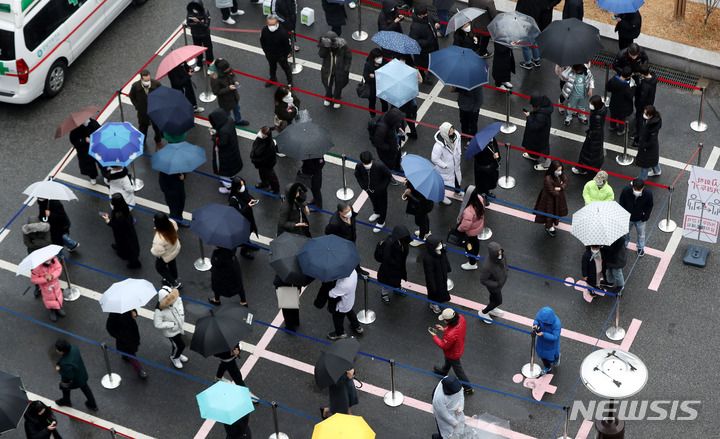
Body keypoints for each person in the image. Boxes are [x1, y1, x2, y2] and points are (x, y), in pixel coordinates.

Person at [431, 309, 473, 394]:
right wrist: (444, 329)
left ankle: (467, 387)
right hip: (458, 347)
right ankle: (444, 371)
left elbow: (444, 346)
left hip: (453, 353)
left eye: (445, 320)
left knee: (458, 371)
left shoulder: (450, 335)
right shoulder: (461, 318)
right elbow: (453, 329)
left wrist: (435, 336)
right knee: (448, 359)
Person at [54, 339, 98, 411]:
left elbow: (68, 376)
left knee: (64, 386)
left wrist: (59, 370)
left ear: (61, 351)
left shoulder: (65, 363)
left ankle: (66, 400)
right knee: (85, 388)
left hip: (76, 379)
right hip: (82, 373)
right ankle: (92, 404)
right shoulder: (74, 347)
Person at [354, 151, 392, 233]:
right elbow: (357, 175)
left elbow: (388, 176)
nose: (367, 165)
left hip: (381, 191)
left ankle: (381, 222)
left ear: (371, 160)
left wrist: (382, 188)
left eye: (368, 163)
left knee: (383, 205)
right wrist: (363, 186)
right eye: (365, 163)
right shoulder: (359, 166)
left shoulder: (380, 166)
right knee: (374, 202)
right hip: (369, 190)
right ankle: (377, 213)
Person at [209, 108, 244, 194]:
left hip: (225, 155)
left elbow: (221, 142)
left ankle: (229, 188)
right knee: (230, 170)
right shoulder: (229, 120)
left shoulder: (223, 131)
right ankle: (231, 178)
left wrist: (213, 136)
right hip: (232, 150)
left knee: (223, 172)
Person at [101, 193, 141, 269]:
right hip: (126, 233)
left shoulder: (120, 216)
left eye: (112, 200)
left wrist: (108, 221)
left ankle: (134, 263)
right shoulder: (124, 209)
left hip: (124, 235)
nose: (110, 201)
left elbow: (117, 226)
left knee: (128, 248)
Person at [106, 309, 148, 379]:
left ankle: (124, 356)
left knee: (129, 349)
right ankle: (139, 369)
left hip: (132, 333)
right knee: (131, 353)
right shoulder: (114, 314)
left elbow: (134, 312)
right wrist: (119, 336)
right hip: (124, 337)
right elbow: (109, 328)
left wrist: (135, 313)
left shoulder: (127, 307)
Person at [153, 286, 187, 369]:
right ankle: (175, 357)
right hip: (171, 332)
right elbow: (157, 324)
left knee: (177, 345)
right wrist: (173, 325)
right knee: (180, 345)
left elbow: (179, 301)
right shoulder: (159, 310)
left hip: (179, 327)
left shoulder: (174, 300)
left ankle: (177, 354)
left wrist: (181, 315)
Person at [128, 69, 163, 150]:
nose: (147, 81)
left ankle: (158, 141)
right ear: (141, 79)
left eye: (148, 79)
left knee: (157, 128)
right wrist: (137, 106)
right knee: (143, 127)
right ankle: (142, 142)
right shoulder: (135, 86)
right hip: (143, 111)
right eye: (145, 80)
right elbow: (132, 96)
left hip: (155, 110)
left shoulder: (157, 84)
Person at [572, 95, 607, 175]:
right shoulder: (601, 110)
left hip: (593, 138)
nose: (590, 105)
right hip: (598, 137)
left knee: (587, 153)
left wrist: (589, 135)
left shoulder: (597, 116)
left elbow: (596, 130)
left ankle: (582, 169)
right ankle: (595, 167)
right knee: (597, 153)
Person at [210, 59, 249, 127]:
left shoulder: (227, 69)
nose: (229, 70)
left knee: (237, 109)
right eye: (227, 70)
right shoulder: (215, 78)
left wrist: (235, 81)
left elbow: (233, 75)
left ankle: (238, 121)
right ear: (220, 70)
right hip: (225, 101)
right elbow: (216, 92)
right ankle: (227, 124)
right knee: (227, 114)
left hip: (234, 97)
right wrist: (228, 88)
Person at [533, 161, 569, 236]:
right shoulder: (548, 179)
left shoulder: (559, 174)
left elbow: (565, 181)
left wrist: (559, 188)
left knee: (556, 209)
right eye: (558, 170)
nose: (560, 172)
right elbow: (552, 191)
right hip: (549, 199)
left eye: (561, 170)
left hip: (557, 196)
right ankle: (549, 227)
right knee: (549, 212)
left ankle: (555, 219)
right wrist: (561, 187)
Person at [377, 225, 411, 303]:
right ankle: (384, 293)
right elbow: (387, 258)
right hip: (389, 267)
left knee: (397, 279)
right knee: (386, 281)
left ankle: (397, 288)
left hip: (398, 266)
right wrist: (396, 263)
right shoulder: (389, 244)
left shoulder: (402, 241)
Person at [619, 178, 653, 256]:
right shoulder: (626, 190)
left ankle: (640, 247)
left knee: (641, 235)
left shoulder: (648, 194)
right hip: (627, 218)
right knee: (625, 233)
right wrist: (623, 214)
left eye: (639, 189)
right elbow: (622, 202)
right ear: (632, 186)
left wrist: (645, 217)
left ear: (643, 188)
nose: (636, 191)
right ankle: (624, 244)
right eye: (635, 189)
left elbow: (649, 206)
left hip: (640, 219)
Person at [318, 31, 352, 108]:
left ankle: (337, 98)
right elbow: (321, 54)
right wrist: (325, 47)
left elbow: (348, 57)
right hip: (328, 69)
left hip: (340, 70)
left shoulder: (343, 46)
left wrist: (345, 68)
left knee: (339, 85)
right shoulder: (326, 47)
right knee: (327, 84)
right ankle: (328, 97)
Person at [431, 122, 462, 205]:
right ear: (445, 133)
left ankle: (457, 192)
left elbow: (458, 147)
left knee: (457, 180)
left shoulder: (457, 136)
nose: (453, 132)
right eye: (450, 132)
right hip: (445, 170)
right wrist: (445, 165)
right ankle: (442, 197)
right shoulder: (438, 146)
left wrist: (459, 154)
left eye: (453, 130)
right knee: (443, 184)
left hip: (455, 166)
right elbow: (434, 158)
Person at [229, 176, 259, 260]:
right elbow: (236, 214)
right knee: (243, 237)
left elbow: (247, 196)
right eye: (241, 186)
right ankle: (244, 250)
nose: (243, 187)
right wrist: (248, 206)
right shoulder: (233, 200)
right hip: (241, 224)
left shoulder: (243, 191)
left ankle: (248, 245)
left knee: (248, 233)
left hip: (248, 219)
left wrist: (251, 199)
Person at [521, 94, 554, 171]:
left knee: (543, 149)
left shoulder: (540, 115)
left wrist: (529, 117)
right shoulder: (545, 108)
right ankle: (534, 156)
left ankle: (547, 165)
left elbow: (534, 126)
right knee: (539, 147)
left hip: (539, 135)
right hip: (542, 134)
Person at [327, 272, 363, 339]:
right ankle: (357, 326)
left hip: (341, 305)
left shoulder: (343, 285)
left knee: (337, 318)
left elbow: (332, 294)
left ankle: (340, 333)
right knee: (350, 312)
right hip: (350, 300)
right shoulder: (353, 272)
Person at [150, 212, 182, 289]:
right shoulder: (172, 223)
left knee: (159, 267)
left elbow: (158, 252)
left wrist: (152, 250)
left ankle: (173, 283)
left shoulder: (159, 238)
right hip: (174, 249)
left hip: (166, 255)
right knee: (172, 263)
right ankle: (174, 276)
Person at [22, 217, 51, 298]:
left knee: (48, 267)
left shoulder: (45, 229)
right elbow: (27, 242)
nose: (34, 230)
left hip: (43, 252)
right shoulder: (26, 231)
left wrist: (34, 242)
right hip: (33, 253)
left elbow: (48, 242)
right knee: (34, 270)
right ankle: (38, 286)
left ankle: (49, 281)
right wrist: (39, 243)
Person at [478, 242, 507, 322]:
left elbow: (504, 263)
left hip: (499, 283)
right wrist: (496, 284)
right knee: (498, 301)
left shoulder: (500, 256)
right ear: (494, 254)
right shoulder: (487, 266)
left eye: (501, 251)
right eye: (499, 252)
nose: (501, 253)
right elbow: (483, 280)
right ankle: (483, 312)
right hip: (494, 287)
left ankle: (492, 308)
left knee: (493, 298)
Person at [409, 6, 439, 84]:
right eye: (424, 15)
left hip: (433, 45)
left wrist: (436, 22)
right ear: (419, 15)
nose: (427, 15)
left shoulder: (427, 15)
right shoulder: (415, 27)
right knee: (421, 65)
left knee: (432, 60)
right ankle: (424, 78)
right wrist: (426, 42)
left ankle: (431, 70)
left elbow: (434, 18)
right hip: (423, 51)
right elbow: (413, 40)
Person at [371, 107, 407, 172]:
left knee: (397, 158)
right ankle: (392, 172)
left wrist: (398, 127)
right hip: (387, 153)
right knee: (390, 165)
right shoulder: (381, 129)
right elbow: (378, 143)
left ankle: (397, 168)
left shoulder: (389, 118)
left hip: (394, 145)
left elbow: (395, 122)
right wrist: (391, 147)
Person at [260, 15, 293, 87]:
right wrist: (266, 52)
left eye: (273, 24)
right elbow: (262, 41)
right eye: (270, 24)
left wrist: (284, 55)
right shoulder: (265, 30)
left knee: (286, 68)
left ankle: (290, 82)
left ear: (277, 22)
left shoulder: (283, 33)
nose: (271, 26)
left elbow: (288, 45)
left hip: (281, 55)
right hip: (270, 54)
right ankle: (273, 78)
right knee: (272, 66)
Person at [69, 117, 103, 184]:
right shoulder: (75, 130)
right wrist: (84, 140)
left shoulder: (93, 123)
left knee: (102, 163)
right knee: (89, 166)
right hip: (84, 151)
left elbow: (100, 132)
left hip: (96, 148)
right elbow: (74, 141)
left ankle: (105, 175)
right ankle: (93, 177)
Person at [31, 257, 65, 322]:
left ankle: (58, 308)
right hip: (46, 289)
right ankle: (52, 310)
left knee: (57, 296)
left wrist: (52, 276)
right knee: (49, 299)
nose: (49, 262)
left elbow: (59, 268)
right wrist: (45, 279)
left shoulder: (54, 260)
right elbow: (34, 279)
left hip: (55, 285)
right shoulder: (37, 268)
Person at [457, 188, 485, 270]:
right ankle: (476, 255)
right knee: (475, 241)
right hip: (477, 228)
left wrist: (459, 229)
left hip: (469, 231)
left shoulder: (468, 211)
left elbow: (465, 226)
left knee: (468, 245)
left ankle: (472, 263)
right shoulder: (480, 199)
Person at [423, 236, 451, 313]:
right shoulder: (428, 258)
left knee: (442, 288)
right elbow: (429, 274)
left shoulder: (441, 251)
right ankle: (433, 304)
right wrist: (432, 286)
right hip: (435, 279)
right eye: (438, 245)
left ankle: (440, 299)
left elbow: (445, 260)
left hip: (442, 275)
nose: (440, 245)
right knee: (434, 292)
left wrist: (448, 268)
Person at [250, 126, 280, 194]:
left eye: (262, 133)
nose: (259, 133)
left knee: (271, 176)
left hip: (267, 164)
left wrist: (256, 160)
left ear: (266, 136)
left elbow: (266, 158)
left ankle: (275, 188)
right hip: (260, 163)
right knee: (262, 173)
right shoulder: (260, 139)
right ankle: (264, 182)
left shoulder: (269, 146)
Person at [606, 66, 635, 136]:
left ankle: (612, 126)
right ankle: (621, 130)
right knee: (622, 119)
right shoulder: (626, 87)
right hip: (623, 107)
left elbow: (608, 87)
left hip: (614, 103)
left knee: (613, 115)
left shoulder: (614, 79)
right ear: (628, 77)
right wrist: (633, 87)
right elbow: (630, 96)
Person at [403, 180, 433, 246]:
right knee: (425, 218)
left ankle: (421, 239)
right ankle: (426, 233)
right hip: (426, 207)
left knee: (421, 222)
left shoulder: (424, 188)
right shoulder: (426, 182)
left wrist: (409, 194)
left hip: (422, 208)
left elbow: (419, 202)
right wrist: (408, 183)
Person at [532, 307, 561, 375]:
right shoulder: (543, 318)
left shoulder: (557, 324)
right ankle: (547, 367)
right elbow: (537, 320)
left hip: (551, 346)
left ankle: (557, 358)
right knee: (543, 357)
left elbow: (555, 337)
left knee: (552, 358)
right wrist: (535, 324)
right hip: (541, 342)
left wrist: (543, 334)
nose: (543, 323)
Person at [636, 105, 662, 180]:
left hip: (648, 148)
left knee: (645, 165)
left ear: (650, 115)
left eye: (646, 114)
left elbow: (651, 141)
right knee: (653, 160)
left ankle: (640, 180)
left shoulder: (652, 127)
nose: (644, 115)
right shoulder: (654, 122)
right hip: (651, 148)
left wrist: (643, 145)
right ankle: (657, 170)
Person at [187, 0, 214, 70]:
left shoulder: (205, 12)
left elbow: (206, 25)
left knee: (208, 51)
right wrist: (200, 22)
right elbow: (189, 23)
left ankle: (210, 66)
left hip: (205, 35)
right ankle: (199, 64)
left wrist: (197, 22)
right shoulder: (190, 12)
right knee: (197, 50)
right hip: (195, 35)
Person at [514, 0, 542, 69]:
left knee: (525, 44)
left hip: (524, 22)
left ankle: (528, 63)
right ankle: (536, 60)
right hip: (534, 21)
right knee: (534, 42)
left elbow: (518, 10)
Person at [633, 63, 657, 138]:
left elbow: (642, 99)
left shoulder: (645, 85)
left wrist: (638, 107)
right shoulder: (654, 77)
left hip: (643, 105)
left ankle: (638, 134)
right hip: (650, 100)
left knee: (640, 118)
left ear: (642, 74)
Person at [473, 137, 500, 204]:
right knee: (482, 184)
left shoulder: (493, 140)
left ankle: (487, 192)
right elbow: (479, 158)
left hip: (491, 166)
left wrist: (497, 157)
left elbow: (496, 149)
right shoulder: (480, 145)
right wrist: (492, 156)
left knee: (489, 182)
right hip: (483, 168)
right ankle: (482, 197)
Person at [363, 49, 388, 116]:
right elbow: (367, 78)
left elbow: (386, 76)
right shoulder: (368, 65)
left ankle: (385, 115)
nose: (380, 59)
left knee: (384, 102)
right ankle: (372, 115)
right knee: (372, 102)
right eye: (377, 58)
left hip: (382, 87)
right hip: (372, 88)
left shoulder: (384, 63)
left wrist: (375, 76)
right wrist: (379, 77)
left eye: (380, 57)